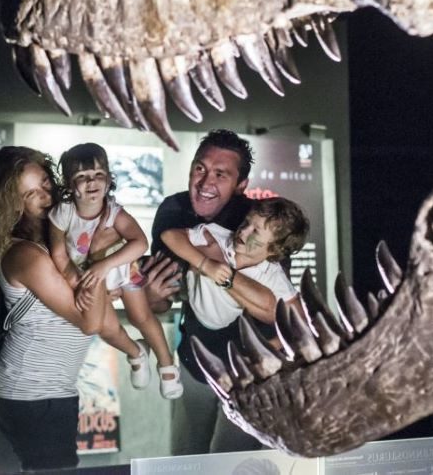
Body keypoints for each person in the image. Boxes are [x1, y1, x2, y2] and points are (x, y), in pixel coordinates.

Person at [143, 129, 293, 454]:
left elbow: (274, 310)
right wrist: (154, 296)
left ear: (241, 186)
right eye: (200, 168)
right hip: (195, 364)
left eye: (221, 174)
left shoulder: (261, 222)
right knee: (186, 458)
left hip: (249, 374)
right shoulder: (173, 210)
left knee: (230, 460)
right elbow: (163, 294)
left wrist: (216, 269)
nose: (205, 182)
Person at [0, 146, 108, 471]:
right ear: (13, 203)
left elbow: (96, 304)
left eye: (46, 183)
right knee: (54, 469)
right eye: (30, 194)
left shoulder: (54, 244)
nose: (46, 196)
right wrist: (101, 258)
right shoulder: (28, 256)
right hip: (33, 393)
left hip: (52, 388)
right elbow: (90, 322)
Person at [50, 143, 183, 399]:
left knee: (140, 317)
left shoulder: (114, 212)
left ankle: (167, 365)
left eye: (98, 174)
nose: (92, 181)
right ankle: (136, 353)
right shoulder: (63, 213)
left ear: (109, 179)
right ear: (68, 184)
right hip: (88, 279)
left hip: (121, 270)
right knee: (104, 327)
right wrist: (77, 283)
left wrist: (105, 264)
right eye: (82, 176)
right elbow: (59, 255)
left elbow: (140, 243)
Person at [161, 196, 308, 334]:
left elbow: (298, 319)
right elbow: (168, 235)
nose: (243, 231)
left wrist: (272, 346)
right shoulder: (218, 236)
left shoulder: (273, 273)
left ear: (274, 249)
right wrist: (205, 264)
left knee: (270, 303)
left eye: (255, 231)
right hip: (186, 289)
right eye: (246, 222)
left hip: (217, 326)